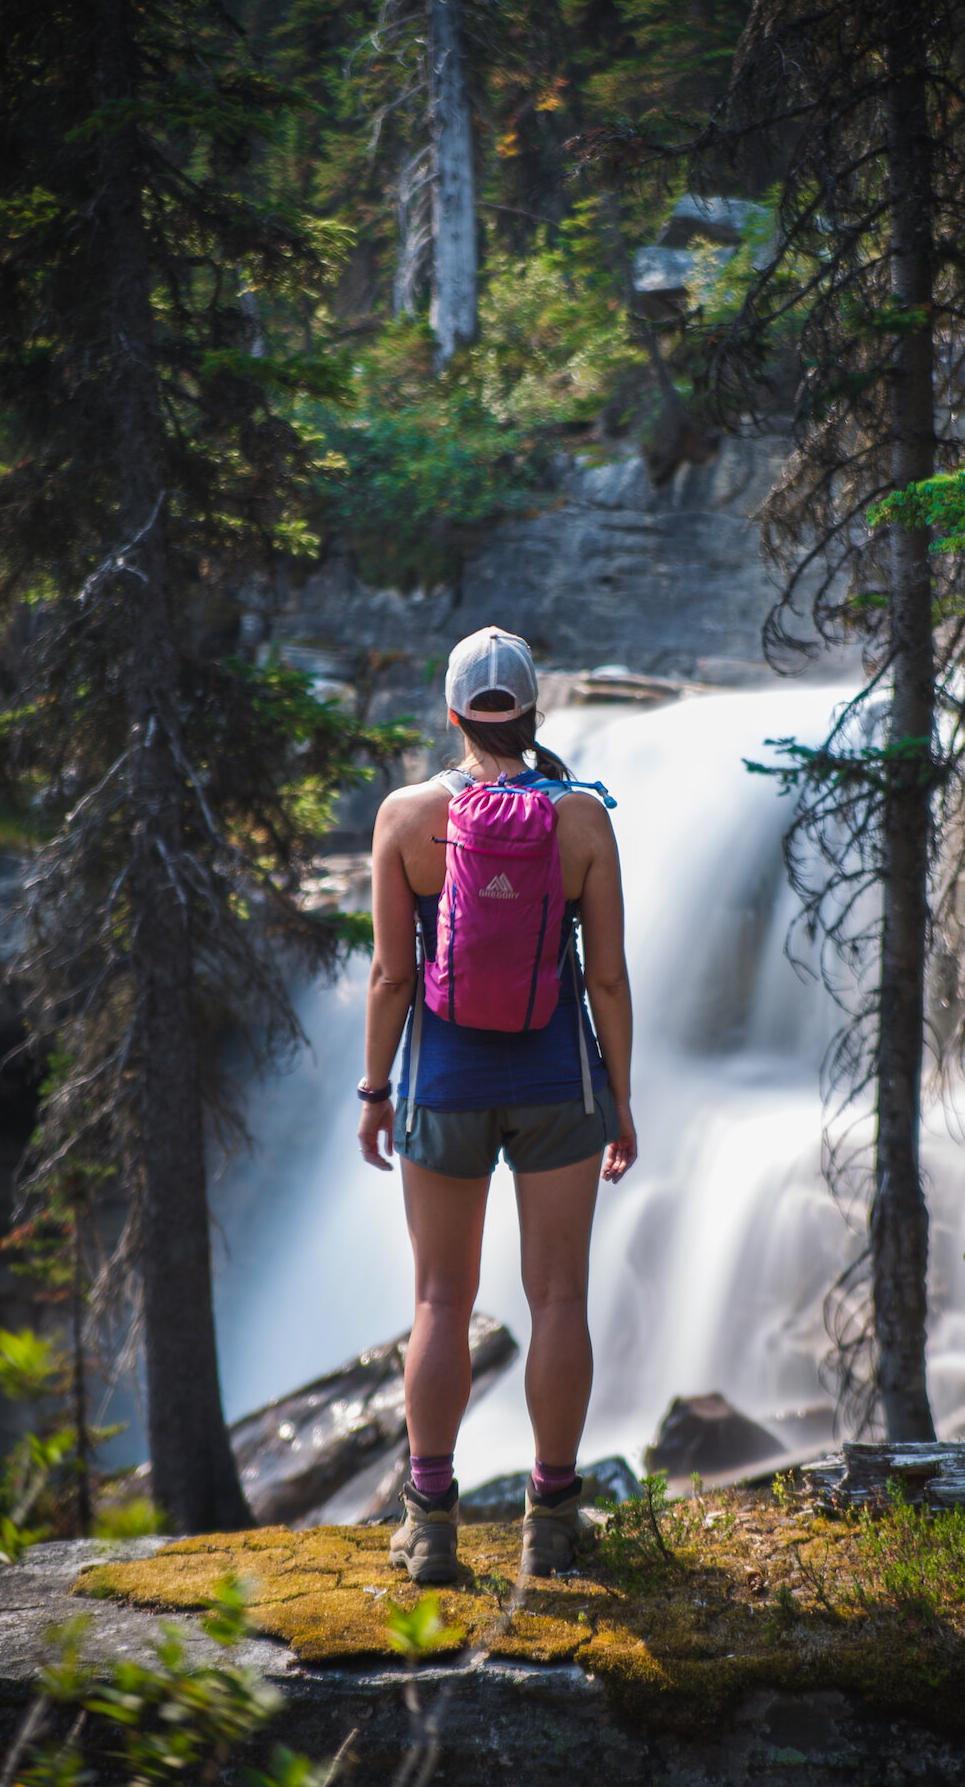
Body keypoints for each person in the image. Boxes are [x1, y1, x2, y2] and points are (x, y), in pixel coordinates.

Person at [357, 626, 637, 1584]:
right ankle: (551, 1517)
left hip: (444, 1080)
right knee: (558, 1294)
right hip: (558, 1080)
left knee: (441, 1298)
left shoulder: (403, 817)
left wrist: (372, 1092)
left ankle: (430, 1522)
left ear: (452, 715)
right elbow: (607, 980)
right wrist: (621, 1101)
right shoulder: (584, 820)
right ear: (532, 713)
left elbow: (395, 976)